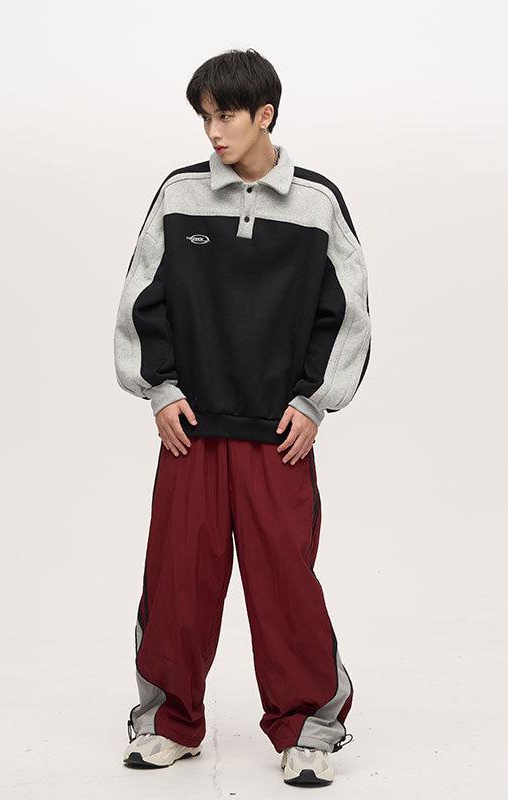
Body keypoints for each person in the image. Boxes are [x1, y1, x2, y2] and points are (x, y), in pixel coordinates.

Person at [113, 47, 371, 787]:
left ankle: (308, 728)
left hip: (278, 434)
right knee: (177, 579)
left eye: (225, 115)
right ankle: (170, 723)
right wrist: (160, 388)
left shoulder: (317, 203)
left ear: (265, 115)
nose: (213, 132)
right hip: (190, 429)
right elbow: (142, 297)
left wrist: (314, 400)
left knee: (284, 582)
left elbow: (347, 314)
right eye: (204, 117)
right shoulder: (179, 195)